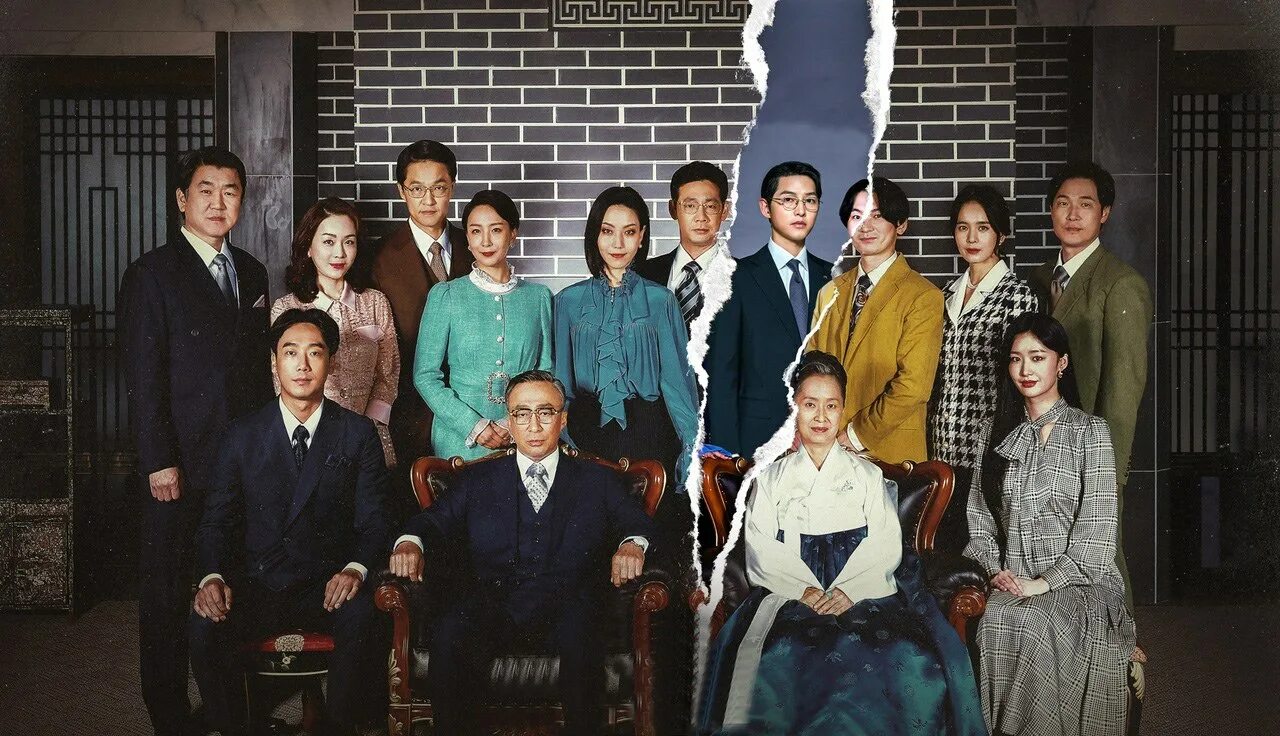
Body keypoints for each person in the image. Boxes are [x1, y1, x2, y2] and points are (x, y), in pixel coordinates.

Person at [698, 351, 986, 735]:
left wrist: (850, 589)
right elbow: (761, 545)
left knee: (900, 653)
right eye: (810, 405)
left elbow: (884, 542)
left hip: (863, 587)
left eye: (831, 406)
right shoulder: (770, 479)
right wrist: (802, 589)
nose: (821, 417)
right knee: (782, 654)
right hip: (790, 589)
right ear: (794, 407)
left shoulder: (867, 476)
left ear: (843, 410)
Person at [387, 370, 655, 736]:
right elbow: (431, 522)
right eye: (522, 414)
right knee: (450, 635)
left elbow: (639, 524)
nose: (534, 425)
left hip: (569, 604)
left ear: (563, 419)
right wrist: (409, 543)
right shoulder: (477, 480)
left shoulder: (598, 480)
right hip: (493, 602)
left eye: (545, 412)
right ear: (509, 422)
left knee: (584, 640)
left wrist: (631, 545)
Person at [119, 145, 273, 736]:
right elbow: (143, 378)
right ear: (182, 200)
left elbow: (255, 374)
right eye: (205, 191)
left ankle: (228, 710)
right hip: (178, 465)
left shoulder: (251, 272)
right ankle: (169, 717)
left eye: (230, 192)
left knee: (228, 585)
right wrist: (159, 461)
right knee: (165, 595)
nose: (218, 202)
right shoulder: (152, 274)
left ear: (242, 201)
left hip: (239, 463)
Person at [189, 309, 394, 736]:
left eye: (314, 353)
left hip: (328, 585)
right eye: (290, 352)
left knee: (364, 614)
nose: (302, 365)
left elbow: (376, 521)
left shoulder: (357, 433)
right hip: (260, 583)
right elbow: (215, 523)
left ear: (331, 361)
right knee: (204, 620)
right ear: (274, 362)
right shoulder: (242, 434)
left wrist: (355, 569)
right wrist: (211, 577)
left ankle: (336, 728)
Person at [964, 312, 1138, 736]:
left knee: (1036, 623)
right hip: (1014, 580)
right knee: (996, 620)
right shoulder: (994, 434)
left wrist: (1043, 584)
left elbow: (1098, 532)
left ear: (1061, 363)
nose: (1025, 369)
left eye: (1037, 357)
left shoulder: (1090, 432)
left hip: (1082, 583)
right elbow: (979, 520)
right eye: (1016, 359)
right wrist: (995, 570)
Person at [1027, 161, 1153, 610]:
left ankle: (1124, 644)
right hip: (1040, 440)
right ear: (1051, 211)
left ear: (1105, 213)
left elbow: (1123, 387)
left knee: (1100, 553)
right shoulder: (1038, 279)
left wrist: (1109, 471)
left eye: (1085, 204)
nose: (1073, 214)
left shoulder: (1120, 284)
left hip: (1092, 448)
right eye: (1063, 203)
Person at [553, 186, 700, 492]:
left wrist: (690, 451)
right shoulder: (567, 301)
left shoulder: (661, 300)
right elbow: (561, 383)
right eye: (608, 231)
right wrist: (563, 441)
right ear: (595, 235)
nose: (618, 243)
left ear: (642, 236)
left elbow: (677, 384)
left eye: (629, 232)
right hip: (584, 430)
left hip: (649, 431)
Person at [809, 176, 944, 465]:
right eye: (856, 216)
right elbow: (811, 372)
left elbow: (914, 386)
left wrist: (853, 436)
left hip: (889, 452)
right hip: (826, 449)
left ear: (901, 224)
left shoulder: (923, 296)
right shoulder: (829, 292)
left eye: (877, 216)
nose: (865, 226)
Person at [930, 185, 1039, 540]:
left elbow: (1023, 380)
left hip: (988, 444)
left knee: (985, 545)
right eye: (963, 227)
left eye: (983, 227)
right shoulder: (945, 295)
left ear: (1001, 235)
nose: (972, 238)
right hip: (942, 446)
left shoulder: (1017, 296)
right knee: (944, 546)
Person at [705, 161, 833, 458]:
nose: (800, 210)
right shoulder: (735, 279)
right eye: (788, 200)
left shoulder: (834, 278)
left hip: (824, 440)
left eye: (810, 201)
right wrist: (729, 458)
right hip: (757, 442)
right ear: (765, 207)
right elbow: (722, 374)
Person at [414, 189, 552, 462]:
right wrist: (474, 426)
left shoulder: (539, 298)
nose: (486, 241)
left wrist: (512, 423)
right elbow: (425, 375)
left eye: (496, 230)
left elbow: (546, 371)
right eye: (476, 231)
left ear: (513, 234)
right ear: (467, 238)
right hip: (459, 440)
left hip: (525, 435)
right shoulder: (446, 295)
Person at [271, 196, 399, 466]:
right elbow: (280, 380)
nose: (340, 253)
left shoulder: (375, 303)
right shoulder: (287, 307)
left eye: (349, 242)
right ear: (308, 247)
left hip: (370, 435)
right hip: (310, 439)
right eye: (328, 242)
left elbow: (388, 373)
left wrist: (367, 426)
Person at [371, 139, 475, 464]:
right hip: (407, 416)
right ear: (401, 191)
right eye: (417, 189)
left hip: (472, 413)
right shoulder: (376, 257)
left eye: (438, 188)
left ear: (452, 187)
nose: (428, 200)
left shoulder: (476, 247)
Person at [635, 161, 731, 328]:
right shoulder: (641, 276)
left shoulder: (747, 279)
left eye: (710, 206)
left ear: (724, 211)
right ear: (673, 209)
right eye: (690, 206)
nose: (701, 217)